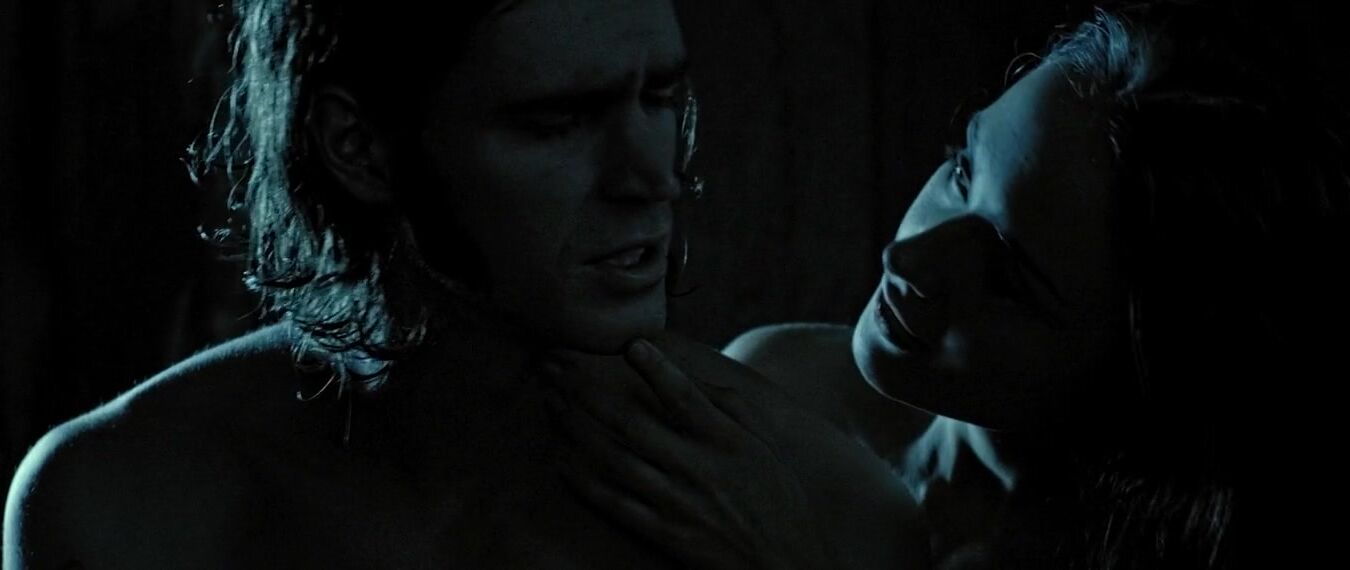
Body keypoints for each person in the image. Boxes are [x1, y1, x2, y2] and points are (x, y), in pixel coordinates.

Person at [5, 1, 931, 567]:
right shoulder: (122, 505)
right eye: (558, 122)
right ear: (360, 148)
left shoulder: (824, 512)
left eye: (661, 98)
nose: (652, 177)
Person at [551, 2, 1350, 568]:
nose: (910, 260)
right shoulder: (780, 386)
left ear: (1138, 374)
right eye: (963, 170)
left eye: (1007, 278)